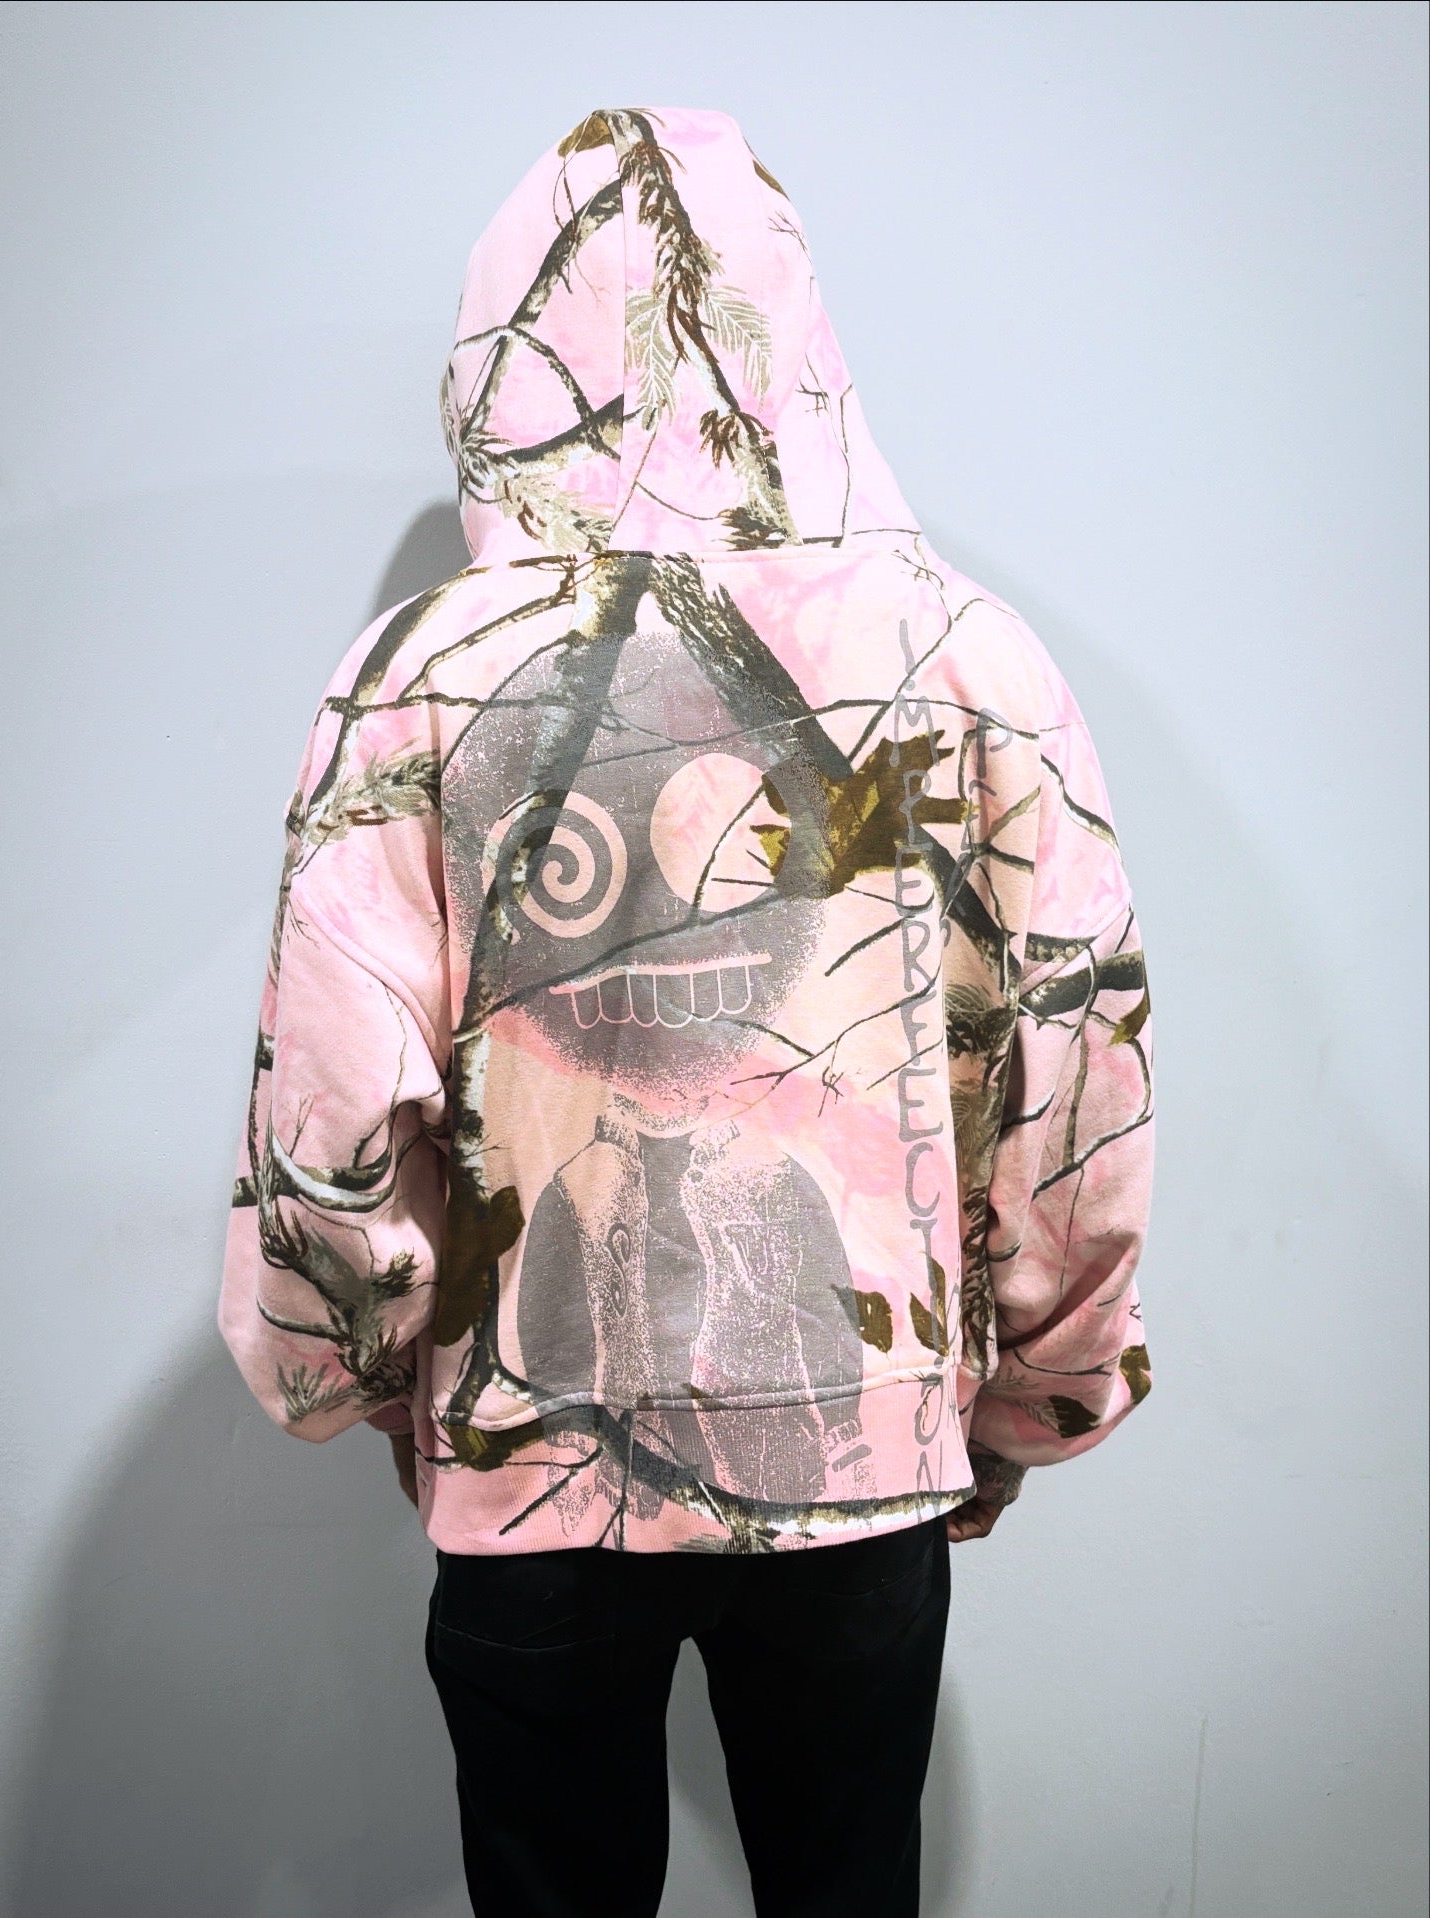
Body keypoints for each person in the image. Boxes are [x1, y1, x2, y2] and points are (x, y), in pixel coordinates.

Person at [218, 105, 1155, 1918]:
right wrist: (1028, 1391)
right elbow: (1075, 1069)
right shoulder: (971, 665)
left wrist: (359, 1371)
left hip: (530, 1461)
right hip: (862, 1447)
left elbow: (326, 1110)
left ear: (506, 353)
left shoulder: (417, 683)